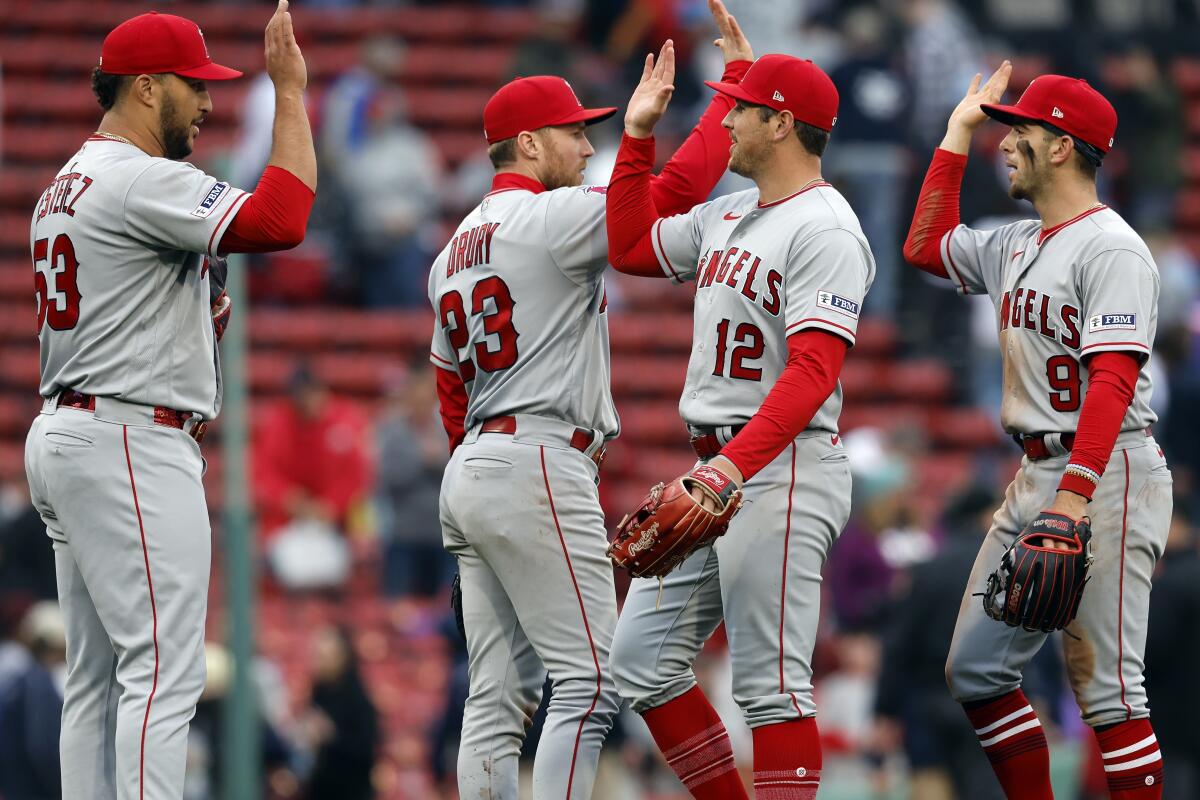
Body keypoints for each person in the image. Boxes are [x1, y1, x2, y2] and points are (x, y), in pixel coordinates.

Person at [428, 3, 753, 796]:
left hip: (473, 462)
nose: (587, 144)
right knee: (589, 683)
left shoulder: (449, 253)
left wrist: (479, 493)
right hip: (539, 456)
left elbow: (447, 391)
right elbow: (667, 195)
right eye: (576, 132)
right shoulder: (548, 218)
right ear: (529, 144)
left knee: (497, 701)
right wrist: (729, 93)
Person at [22, 3, 316, 797]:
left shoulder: (63, 184)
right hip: (128, 435)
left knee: (93, 674)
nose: (211, 101)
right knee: (163, 664)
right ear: (147, 88)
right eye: (195, 85)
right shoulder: (139, 175)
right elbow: (282, 220)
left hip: (69, 428)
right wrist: (289, 91)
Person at [604, 51, 876, 798]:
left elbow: (814, 372)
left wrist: (729, 471)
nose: (724, 119)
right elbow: (628, 247)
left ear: (780, 121)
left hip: (781, 466)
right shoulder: (730, 212)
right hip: (716, 470)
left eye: (739, 107)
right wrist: (637, 136)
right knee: (639, 664)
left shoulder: (827, 228)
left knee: (771, 686)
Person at [902, 62, 1172, 799]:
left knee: (1111, 692)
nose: (1006, 143)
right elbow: (925, 247)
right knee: (976, 671)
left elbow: (1112, 382)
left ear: (1062, 146)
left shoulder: (1110, 246)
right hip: (1039, 470)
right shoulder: (1015, 242)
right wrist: (955, 136)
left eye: (1019, 130)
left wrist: (1075, 497)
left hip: (1107, 469)